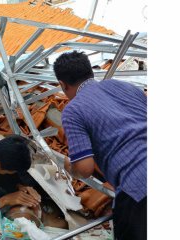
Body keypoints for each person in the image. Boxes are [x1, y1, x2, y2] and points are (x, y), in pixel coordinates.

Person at [53, 51, 147, 240]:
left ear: (63, 85)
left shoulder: (73, 110)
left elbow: (85, 169)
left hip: (139, 186)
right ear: (90, 72)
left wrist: (69, 166)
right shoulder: (127, 87)